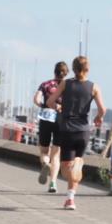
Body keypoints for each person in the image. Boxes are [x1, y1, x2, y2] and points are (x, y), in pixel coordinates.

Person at [46, 56, 105, 211]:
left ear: (73, 69)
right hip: (84, 131)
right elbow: (102, 109)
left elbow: (50, 101)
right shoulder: (94, 87)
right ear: (88, 69)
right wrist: (98, 118)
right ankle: (70, 199)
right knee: (76, 165)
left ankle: (75, 168)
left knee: (66, 168)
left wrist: (58, 108)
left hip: (67, 130)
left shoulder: (66, 83)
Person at [33, 61, 68, 194]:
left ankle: (45, 163)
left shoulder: (45, 84)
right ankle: (53, 183)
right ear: (66, 73)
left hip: (46, 118)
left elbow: (36, 99)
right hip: (60, 119)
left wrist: (43, 106)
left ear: (54, 71)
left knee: (44, 150)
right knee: (56, 154)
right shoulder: (67, 86)